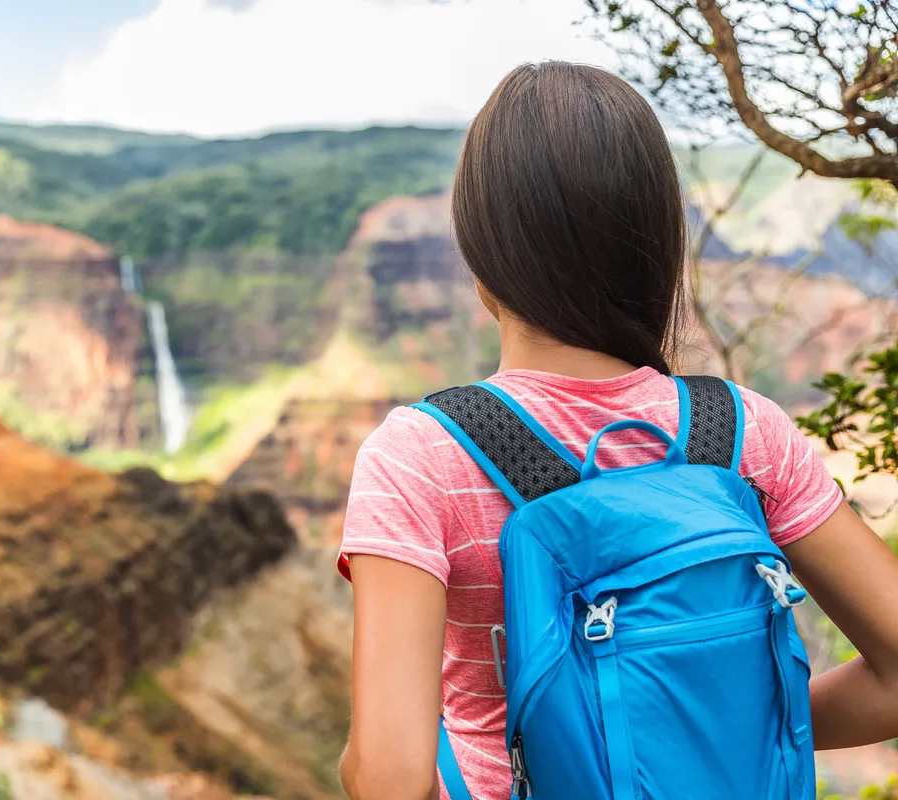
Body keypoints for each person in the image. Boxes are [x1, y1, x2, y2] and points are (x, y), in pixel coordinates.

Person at [335, 61, 898, 800]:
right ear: (659, 246)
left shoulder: (419, 457)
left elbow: (390, 778)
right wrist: (734, 722)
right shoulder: (743, 432)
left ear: (480, 259)